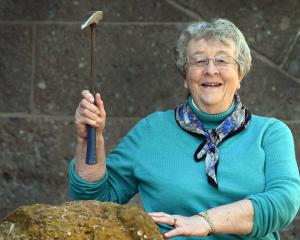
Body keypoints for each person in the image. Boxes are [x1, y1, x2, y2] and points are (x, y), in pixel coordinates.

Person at [69, 18, 300, 239]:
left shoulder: (270, 133)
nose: (211, 70)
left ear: (240, 74)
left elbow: (284, 202)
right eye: (199, 61)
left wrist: (203, 222)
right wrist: (89, 140)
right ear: (185, 76)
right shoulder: (151, 131)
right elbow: (94, 203)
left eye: (222, 60)